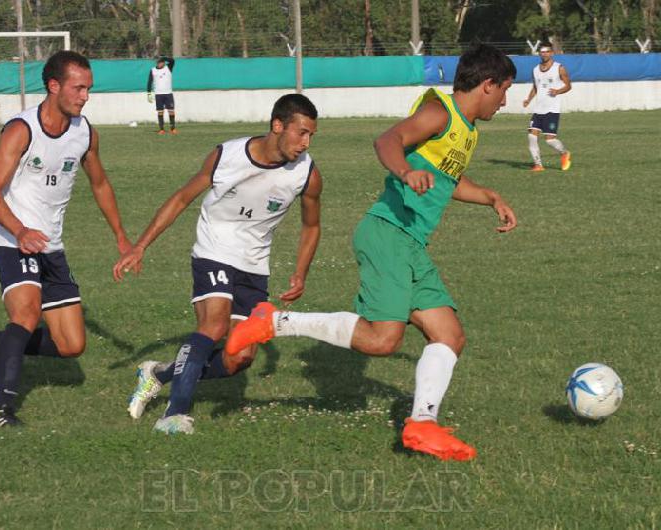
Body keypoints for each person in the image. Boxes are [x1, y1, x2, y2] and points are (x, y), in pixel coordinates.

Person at [226, 44, 518, 461]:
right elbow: (388, 139)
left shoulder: (466, 131)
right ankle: (274, 321)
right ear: (487, 84)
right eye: (504, 90)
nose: (505, 101)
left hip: (410, 243)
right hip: (388, 233)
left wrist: (490, 197)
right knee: (383, 340)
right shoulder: (441, 113)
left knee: (450, 335)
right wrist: (404, 170)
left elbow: (447, 180)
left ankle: (422, 425)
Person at [113, 94, 322, 436]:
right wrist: (140, 246)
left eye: (311, 135)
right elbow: (182, 198)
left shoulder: (307, 175)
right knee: (213, 326)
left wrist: (301, 271)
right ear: (277, 126)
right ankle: (173, 415)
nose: (305, 143)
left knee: (239, 358)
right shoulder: (227, 155)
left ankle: (159, 374)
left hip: (254, 265)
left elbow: (312, 225)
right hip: (214, 249)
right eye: (301, 133)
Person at [0, 50, 137, 427]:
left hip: (52, 248)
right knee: (26, 314)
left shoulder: (86, 133)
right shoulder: (20, 130)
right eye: (78, 88)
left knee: (71, 345)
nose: (84, 96)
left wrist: (123, 238)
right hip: (15, 242)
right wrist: (20, 230)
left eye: (88, 88)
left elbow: (101, 184)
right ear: (54, 86)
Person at [522, 42, 572, 171]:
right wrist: (528, 99)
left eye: (547, 51)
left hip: (552, 109)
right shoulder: (535, 69)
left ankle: (565, 153)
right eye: (542, 51)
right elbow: (535, 87)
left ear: (552, 53)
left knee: (549, 140)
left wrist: (557, 91)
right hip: (539, 109)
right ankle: (538, 165)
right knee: (531, 136)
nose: (544, 54)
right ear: (539, 53)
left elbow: (568, 86)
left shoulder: (559, 68)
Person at [147, 56, 178, 135]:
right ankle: (161, 129)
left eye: (162, 62)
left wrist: (164, 58)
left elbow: (172, 60)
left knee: (171, 111)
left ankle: (173, 129)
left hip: (168, 94)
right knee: (160, 112)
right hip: (158, 94)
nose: (161, 63)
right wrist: (149, 93)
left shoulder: (168, 68)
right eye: (160, 62)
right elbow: (149, 82)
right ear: (157, 63)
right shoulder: (153, 70)